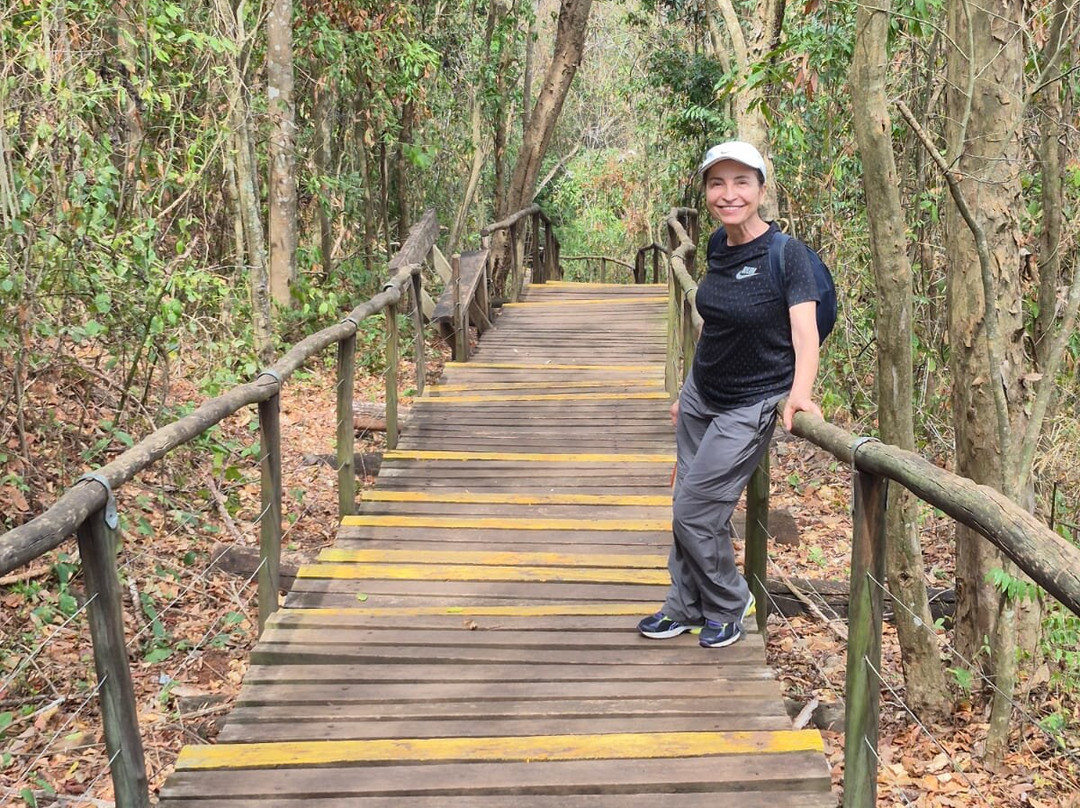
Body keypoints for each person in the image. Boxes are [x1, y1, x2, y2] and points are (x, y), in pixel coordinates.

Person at [638, 140, 823, 648]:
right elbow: (714, 327)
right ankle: (685, 605)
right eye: (717, 183)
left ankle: (728, 603)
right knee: (687, 503)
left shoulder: (787, 255)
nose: (729, 194)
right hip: (702, 396)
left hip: (751, 402)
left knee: (695, 511)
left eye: (741, 182)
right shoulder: (719, 245)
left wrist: (799, 393)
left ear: (761, 189)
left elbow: (805, 333)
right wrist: (686, 391)